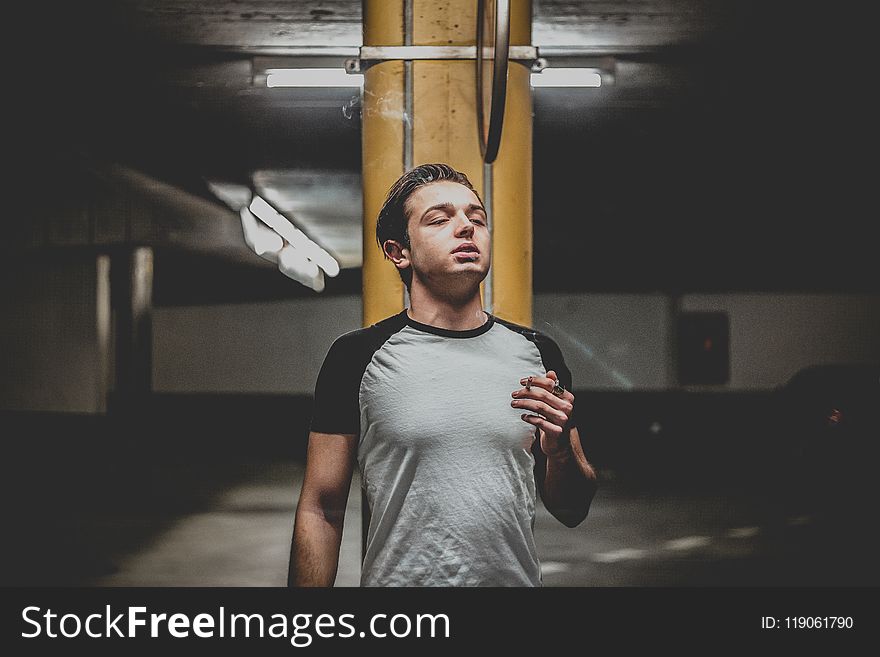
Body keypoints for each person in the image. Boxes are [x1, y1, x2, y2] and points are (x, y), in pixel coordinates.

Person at [289, 163, 597, 587]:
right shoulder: (355, 357)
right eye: (440, 219)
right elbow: (322, 509)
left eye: (477, 218)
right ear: (399, 251)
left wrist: (561, 453)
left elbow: (573, 509)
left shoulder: (538, 354)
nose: (466, 228)